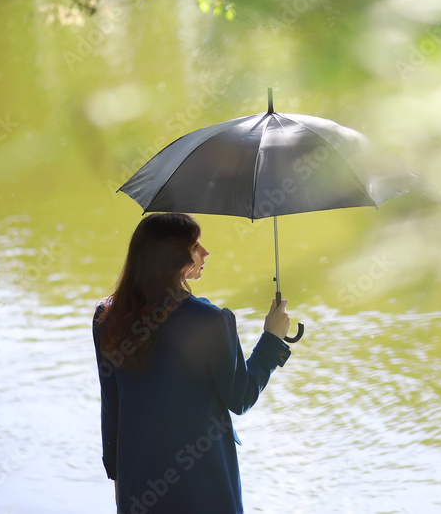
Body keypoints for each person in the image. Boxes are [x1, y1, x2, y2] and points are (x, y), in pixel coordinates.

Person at [93, 212, 292, 513]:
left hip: (138, 484)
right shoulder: (211, 321)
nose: (205, 252)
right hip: (203, 485)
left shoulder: (107, 317)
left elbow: (112, 405)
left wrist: (117, 474)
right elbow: (240, 398)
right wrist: (272, 340)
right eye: (196, 246)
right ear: (173, 259)